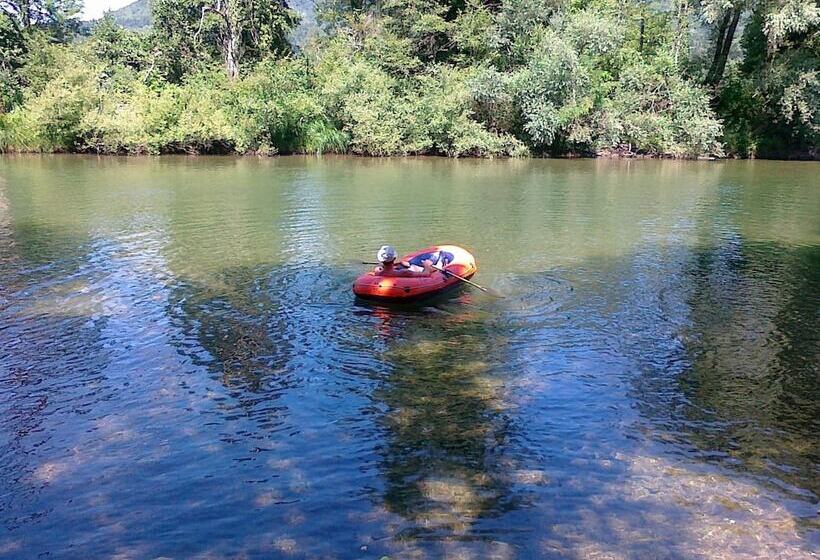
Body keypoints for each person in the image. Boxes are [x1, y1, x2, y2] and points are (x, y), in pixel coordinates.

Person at [374, 245, 453, 277]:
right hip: (409, 278)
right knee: (433, 266)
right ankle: (441, 260)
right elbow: (426, 274)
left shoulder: (377, 271)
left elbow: (385, 267)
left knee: (412, 266)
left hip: (393, 268)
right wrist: (427, 266)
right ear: (394, 258)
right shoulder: (404, 272)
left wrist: (399, 263)